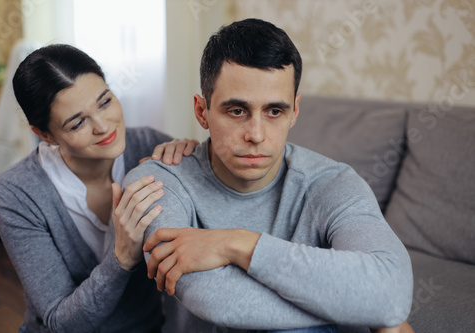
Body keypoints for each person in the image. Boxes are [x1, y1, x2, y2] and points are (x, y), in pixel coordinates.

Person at [123, 19, 414, 333]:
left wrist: (236, 244)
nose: (256, 135)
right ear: (201, 111)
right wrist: (357, 306)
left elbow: (392, 290)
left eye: (275, 111)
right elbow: (213, 299)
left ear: (294, 112)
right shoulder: (158, 182)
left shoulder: (333, 182)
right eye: (237, 111)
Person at [0, 44, 198, 333]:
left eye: (105, 102)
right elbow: (59, 320)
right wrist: (122, 257)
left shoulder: (150, 146)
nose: (103, 126)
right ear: (45, 135)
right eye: (77, 123)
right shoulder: (16, 193)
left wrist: (196, 161)